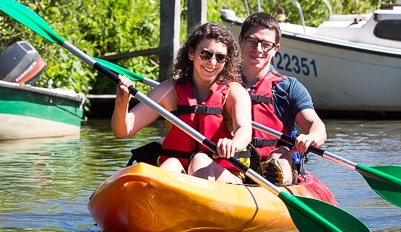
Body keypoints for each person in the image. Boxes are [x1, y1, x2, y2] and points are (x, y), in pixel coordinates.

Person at [111, 22, 252, 183]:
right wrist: (122, 102)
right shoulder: (169, 91)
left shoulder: (235, 93)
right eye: (205, 55)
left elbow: (244, 132)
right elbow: (122, 130)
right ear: (191, 54)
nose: (212, 62)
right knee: (170, 163)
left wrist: (232, 144)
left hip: (224, 177)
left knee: (200, 160)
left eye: (220, 57)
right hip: (183, 175)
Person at [238, 12, 327, 185]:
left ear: (275, 48)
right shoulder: (222, 84)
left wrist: (310, 137)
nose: (258, 49)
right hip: (235, 161)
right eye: (252, 41)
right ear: (241, 40)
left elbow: (317, 127)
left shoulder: (288, 87)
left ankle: (273, 180)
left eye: (266, 45)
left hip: (277, 164)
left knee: (280, 155)